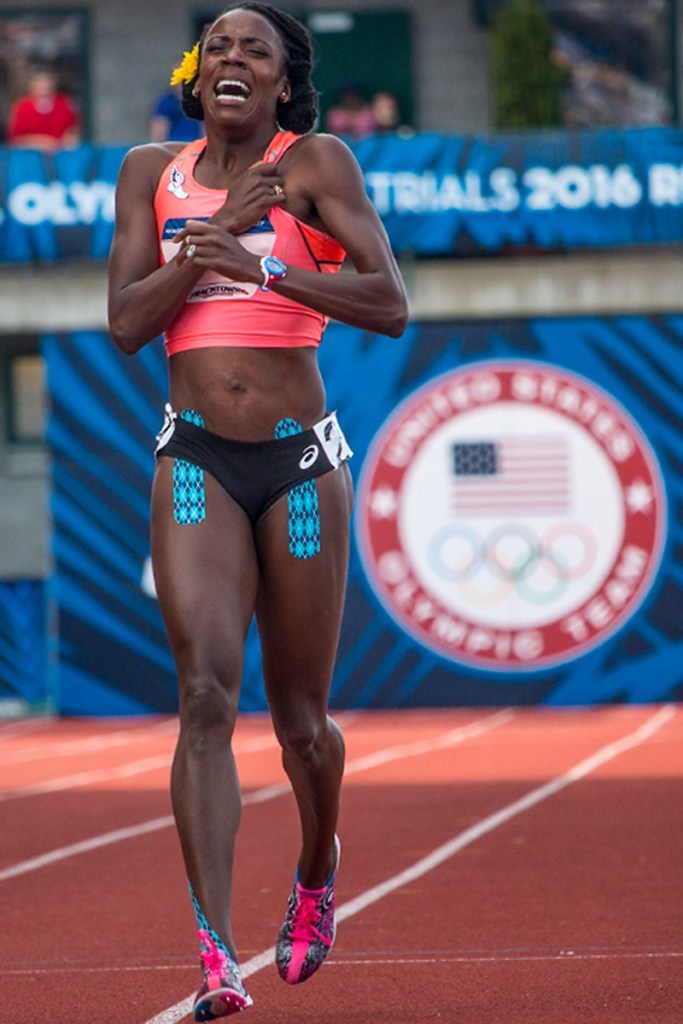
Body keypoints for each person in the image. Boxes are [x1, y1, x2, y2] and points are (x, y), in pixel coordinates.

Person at [107, 3, 407, 1020]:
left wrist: (270, 263)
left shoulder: (313, 163)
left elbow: (388, 300)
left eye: (257, 52)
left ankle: (317, 865)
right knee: (201, 696)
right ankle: (213, 954)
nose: (234, 60)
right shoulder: (151, 173)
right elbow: (124, 326)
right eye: (219, 48)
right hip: (192, 458)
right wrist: (211, 241)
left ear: (282, 83)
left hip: (296, 469)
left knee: (301, 725)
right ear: (196, 77)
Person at [6, 68, 80, 153]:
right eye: (39, 82)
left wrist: (69, 139)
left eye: (46, 81)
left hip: (59, 155)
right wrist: (42, 142)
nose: (44, 85)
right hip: (30, 156)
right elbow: (15, 138)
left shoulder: (64, 103)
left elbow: (73, 129)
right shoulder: (23, 106)